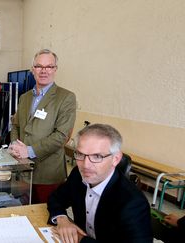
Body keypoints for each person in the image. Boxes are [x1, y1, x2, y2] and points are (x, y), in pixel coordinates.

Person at [47, 124, 153, 243]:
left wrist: (80, 239)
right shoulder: (78, 174)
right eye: (80, 154)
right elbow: (56, 198)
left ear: (116, 159)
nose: (85, 165)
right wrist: (62, 219)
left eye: (97, 156)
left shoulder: (133, 203)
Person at [9, 49, 76, 203]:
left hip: (48, 174)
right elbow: (16, 125)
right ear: (33, 70)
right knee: (23, 212)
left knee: (45, 218)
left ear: (55, 70)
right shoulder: (25, 97)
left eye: (49, 66)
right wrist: (14, 145)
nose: (44, 71)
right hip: (23, 169)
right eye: (39, 66)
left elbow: (61, 136)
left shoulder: (66, 97)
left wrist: (29, 150)